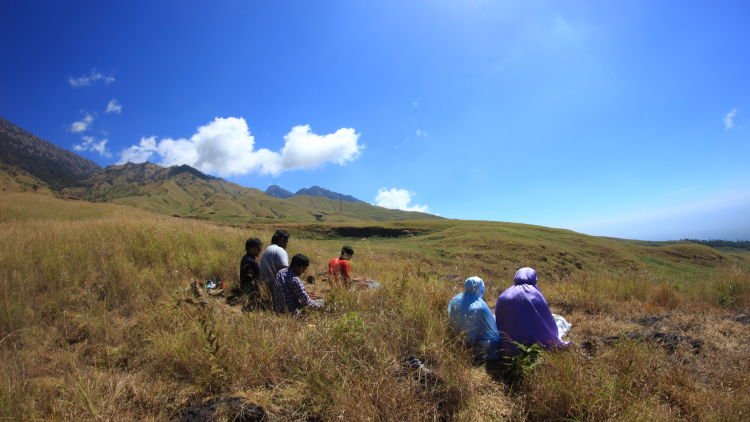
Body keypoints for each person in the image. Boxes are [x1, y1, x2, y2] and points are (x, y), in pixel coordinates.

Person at [494, 267, 570, 355]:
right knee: (559, 321)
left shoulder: (504, 295)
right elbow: (546, 320)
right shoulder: (534, 293)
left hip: (507, 345)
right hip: (533, 343)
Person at [448, 277, 502, 361]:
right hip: (477, 344)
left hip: (457, 339)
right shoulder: (480, 307)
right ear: (480, 288)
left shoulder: (455, 301)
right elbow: (493, 331)